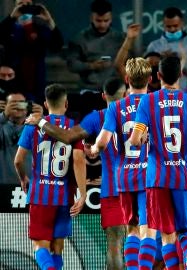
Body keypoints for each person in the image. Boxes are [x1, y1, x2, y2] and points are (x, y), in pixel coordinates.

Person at [24, 78, 128, 269]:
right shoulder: (146, 111)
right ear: (127, 95)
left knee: (114, 246)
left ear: (103, 96)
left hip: (113, 190)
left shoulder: (96, 118)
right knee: (148, 239)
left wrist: (40, 121)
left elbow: (67, 138)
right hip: (147, 187)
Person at [129, 54, 187, 270]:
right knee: (184, 230)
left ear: (158, 76)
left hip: (157, 177)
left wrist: (144, 137)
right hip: (182, 175)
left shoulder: (148, 100)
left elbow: (136, 140)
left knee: (166, 233)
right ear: (182, 76)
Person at [14, 83, 86, 270]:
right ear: (66, 104)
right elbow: (78, 160)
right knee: (57, 248)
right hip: (64, 195)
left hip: (40, 194)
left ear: (45, 104)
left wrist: (23, 179)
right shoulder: (74, 129)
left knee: (41, 246)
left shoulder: (32, 125)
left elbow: (18, 160)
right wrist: (83, 193)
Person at [91, 58, 152, 269]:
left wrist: (92, 149)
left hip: (124, 178)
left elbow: (102, 142)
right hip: (151, 177)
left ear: (127, 80)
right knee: (149, 231)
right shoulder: (156, 103)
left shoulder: (116, 107)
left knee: (131, 230)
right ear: (150, 80)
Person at [0, 0, 63, 103]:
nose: (24, 7)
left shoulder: (40, 28)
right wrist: (12, 17)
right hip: (13, 80)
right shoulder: (9, 27)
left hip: (37, 78)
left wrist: (49, 21)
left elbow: (56, 46)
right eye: (21, 4)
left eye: (28, 4)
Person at [67, 0, 125, 91]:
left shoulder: (120, 38)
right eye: (98, 21)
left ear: (111, 18)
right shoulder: (80, 39)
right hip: (90, 88)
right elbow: (72, 65)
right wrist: (92, 66)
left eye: (106, 21)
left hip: (115, 89)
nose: (102, 25)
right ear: (91, 18)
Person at [145, 6, 187, 89]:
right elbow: (146, 73)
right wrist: (161, 60)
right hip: (160, 94)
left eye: (175, 25)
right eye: (168, 26)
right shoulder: (154, 46)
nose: (172, 29)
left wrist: (183, 60)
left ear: (182, 23)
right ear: (163, 24)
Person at [0, 90, 43, 184]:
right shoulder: (2, 126)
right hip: (3, 186)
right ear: (5, 106)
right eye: (13, 103)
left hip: (30, 184)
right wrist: (3, 115)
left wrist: (42, 119)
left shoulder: (35, 127)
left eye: (21, 103)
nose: (17, 106)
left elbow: (52, 141)